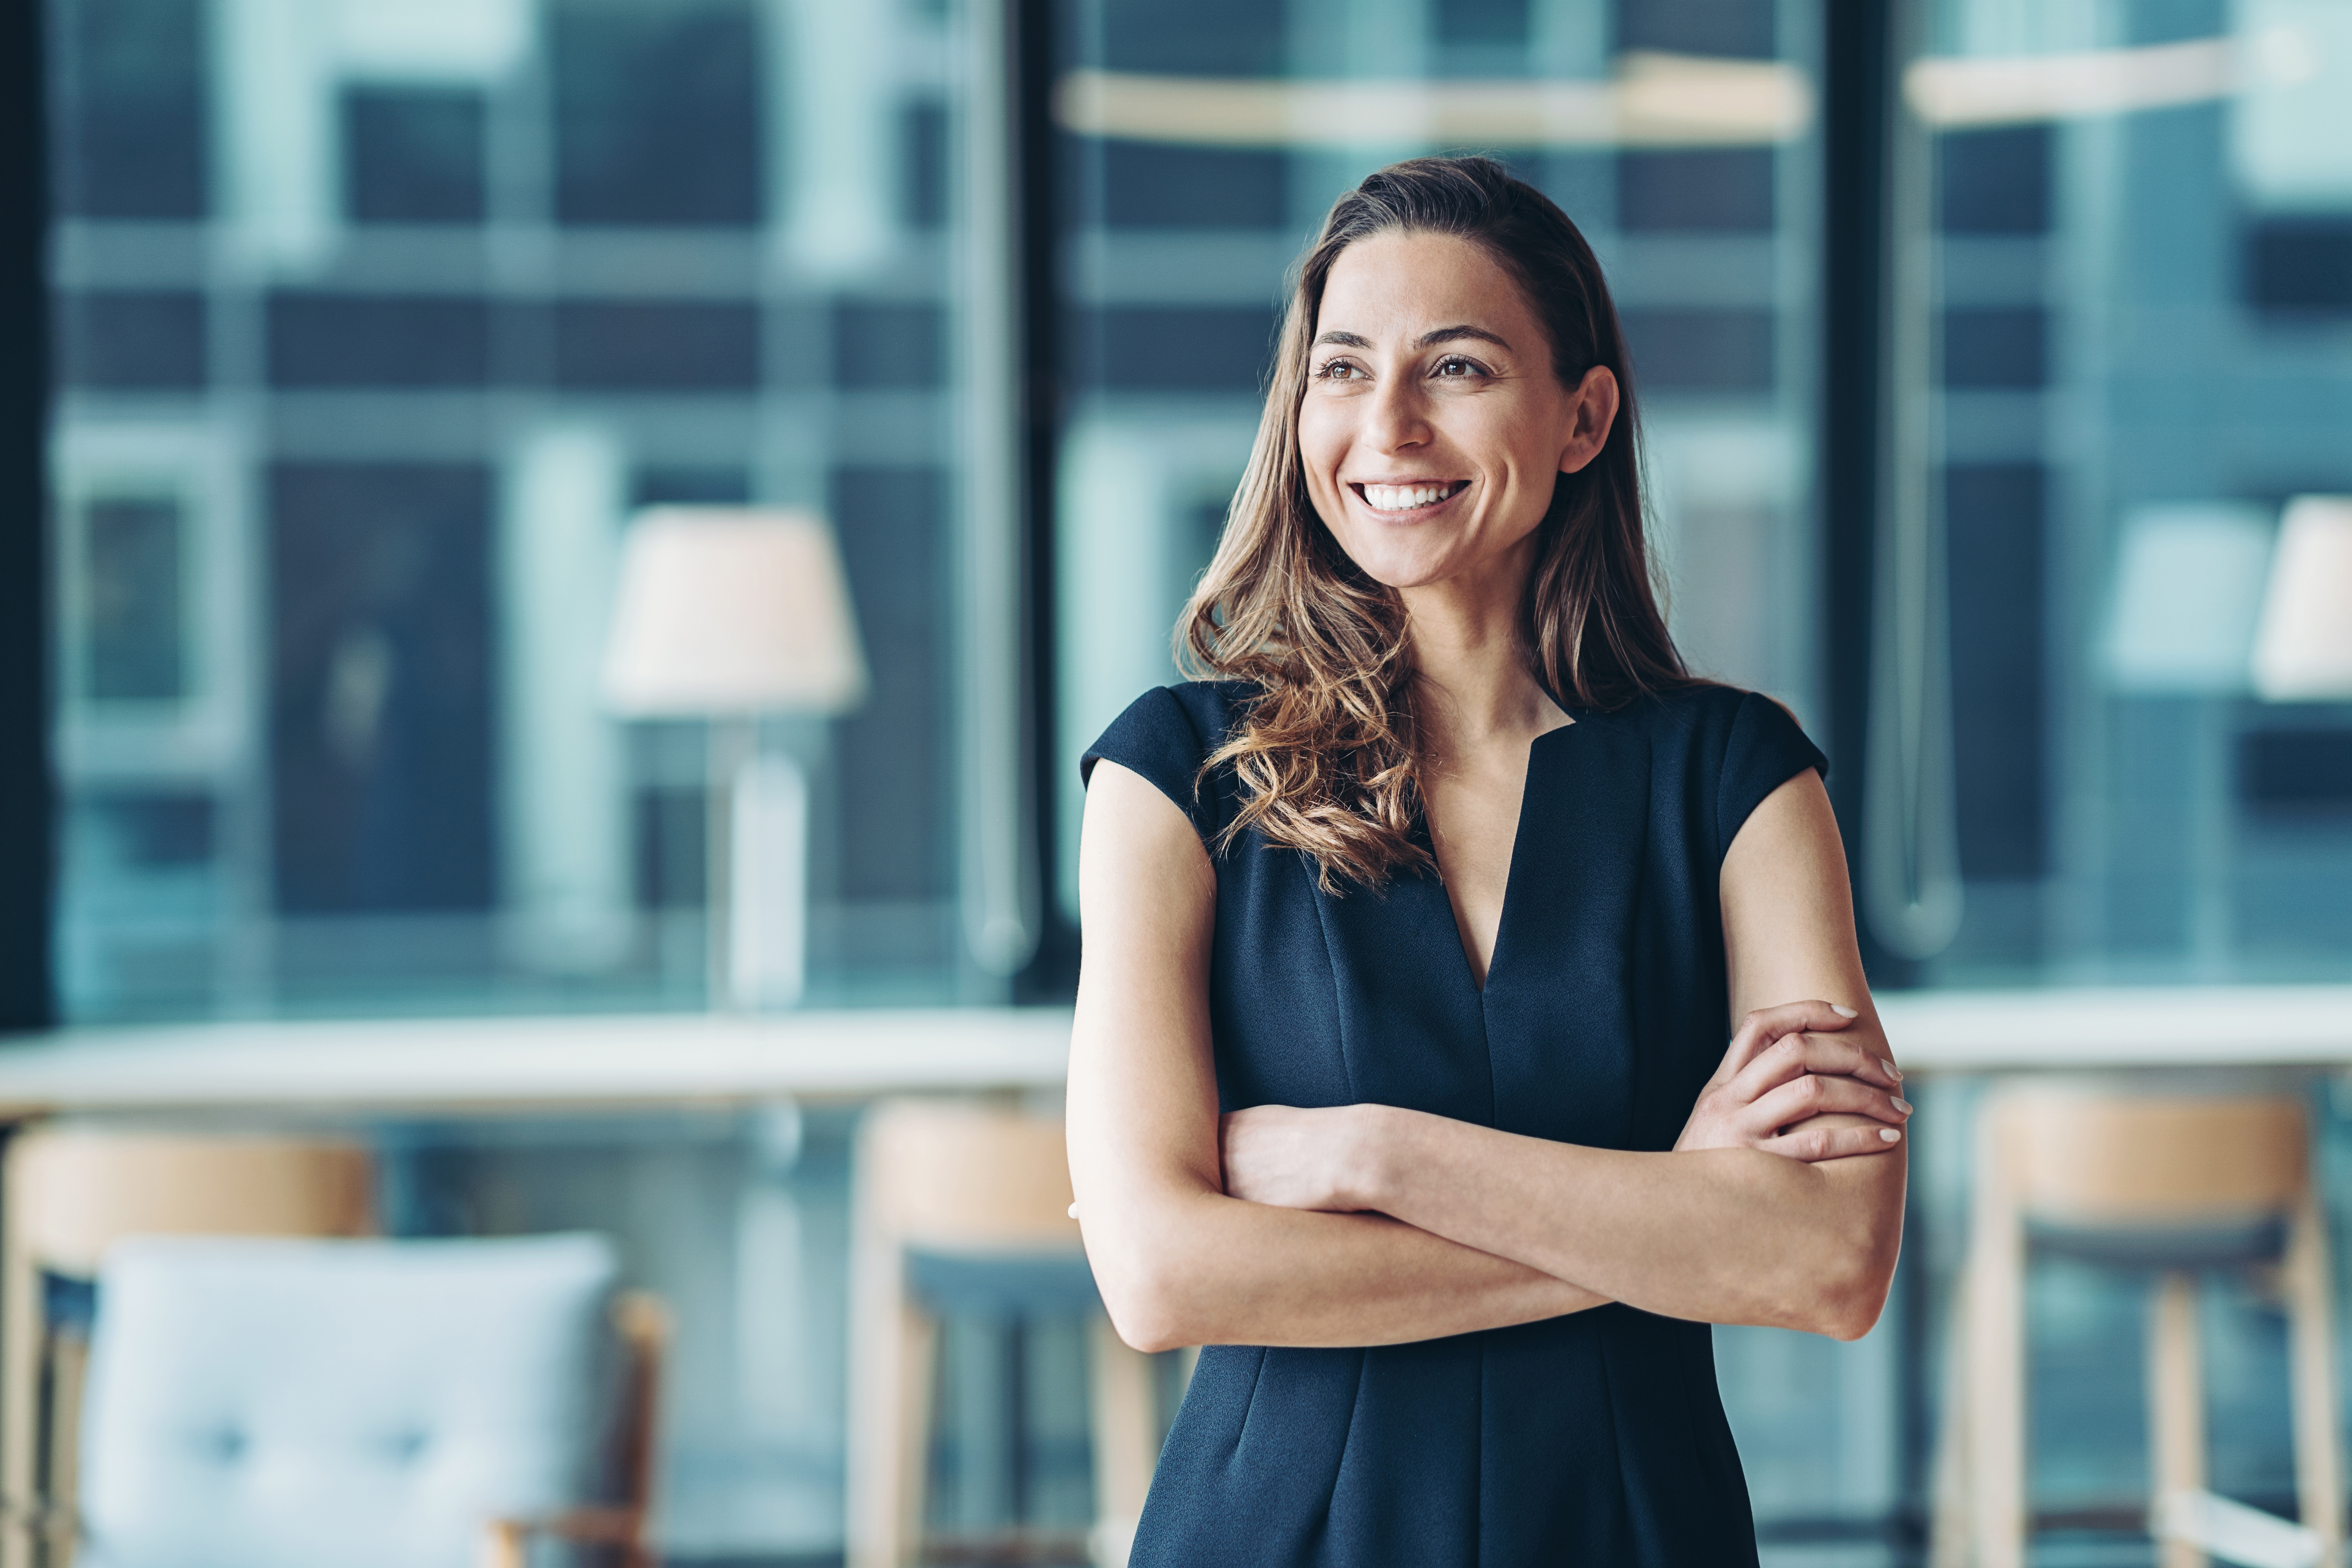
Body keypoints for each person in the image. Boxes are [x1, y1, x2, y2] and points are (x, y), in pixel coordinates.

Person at [1065, 154, 1907, 1565]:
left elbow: (1826, 1263)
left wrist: (1364, 1154)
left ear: (1582, 418)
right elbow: (1158, 1276)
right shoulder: (1177, 776)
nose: (1386, 425)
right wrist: (1667, 1214)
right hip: (1276, 1535)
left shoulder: (1739, 778)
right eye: (1341, 370)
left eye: (1454, 367)